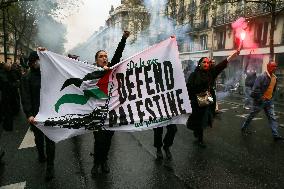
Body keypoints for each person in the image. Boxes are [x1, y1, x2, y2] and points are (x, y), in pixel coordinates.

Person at [91, 31, 130, 177]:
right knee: (99, 140)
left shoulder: (112, 69)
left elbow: (118, 54)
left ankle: (104, 161)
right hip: (97, 113)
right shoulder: (91, 71)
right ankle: (96, 162)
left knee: (107, 140)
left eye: (105, 56)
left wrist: (124, 39)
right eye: (101, 56)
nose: (104, 58)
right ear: (96, 60)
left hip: (112, 112)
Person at [186, 50, 240, 148]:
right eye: (204, 62)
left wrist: (232, 56)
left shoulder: (211, 73)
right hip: (196, 101)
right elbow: (189, 88)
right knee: (198, 118)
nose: (206, 64)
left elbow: (221, 65)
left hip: (207, 98)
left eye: (208, 62)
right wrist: (191, 99)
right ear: (199, 64)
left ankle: (199, 133)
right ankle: (199, 137)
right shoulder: (194, 75)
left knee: (206, 117)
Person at [20, 50, 56, 181]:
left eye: (40, 60)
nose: (38, 63)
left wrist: (45, 52)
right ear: (31, 62)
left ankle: (50, 167)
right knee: (39, 138)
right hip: (35, 116)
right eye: (36, 60)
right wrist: (29, 114)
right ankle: (41, 154)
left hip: (49, 114)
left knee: (50, 140)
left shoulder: (48, 76)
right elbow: (25, 97)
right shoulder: (26, 78)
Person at [241, 61, 283, 141]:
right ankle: (244, 127)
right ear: (268, 67)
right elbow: (255, 89)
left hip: (269, 101)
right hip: (260, 101)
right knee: (252, 115)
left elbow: (273, 90)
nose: (274, 68)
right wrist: (261, 99)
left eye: (275, 66)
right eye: (273, 66)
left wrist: (271, 98)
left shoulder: (275, 78)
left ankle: (275, 135)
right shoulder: (262, 77)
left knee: (272, 118)